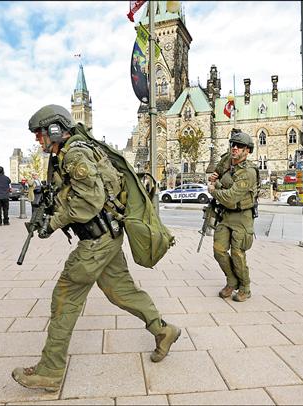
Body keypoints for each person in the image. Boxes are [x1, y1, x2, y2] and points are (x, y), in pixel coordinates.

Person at [12, 104, 181, 392]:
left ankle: (50, 370)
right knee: (121, 291)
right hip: (107, 237)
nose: (37, 140)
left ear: (55, 130)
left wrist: (53, 223)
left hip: (96, 240)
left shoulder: (75, 155)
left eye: (40, 134)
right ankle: (163, 330)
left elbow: (88, 202)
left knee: (65, 297)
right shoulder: (69, 152)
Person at [207, 130, 258, 302]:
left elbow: (230, 198)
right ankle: (232, 280)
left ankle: (245, 287)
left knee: (237, 253)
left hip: (242, 217)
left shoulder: (248, 172)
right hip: (225, 215)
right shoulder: (227, 160)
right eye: (233, 145)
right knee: (219, 250)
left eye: (240, 146)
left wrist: (215, 189)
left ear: (247, 150)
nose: (235, 148)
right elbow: (218, 171)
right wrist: (216, 175)